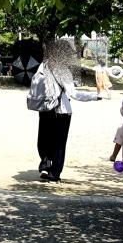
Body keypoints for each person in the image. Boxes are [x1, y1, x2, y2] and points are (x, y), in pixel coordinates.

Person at [27, 38, 75, 181]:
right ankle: (55, 172)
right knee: (59, 142)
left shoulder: (44, 65)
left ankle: (45, 165)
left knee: (44, 137)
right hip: (61, 110)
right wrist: (94, 97)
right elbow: (72, 92)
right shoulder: (63, 69)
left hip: (45, 107)